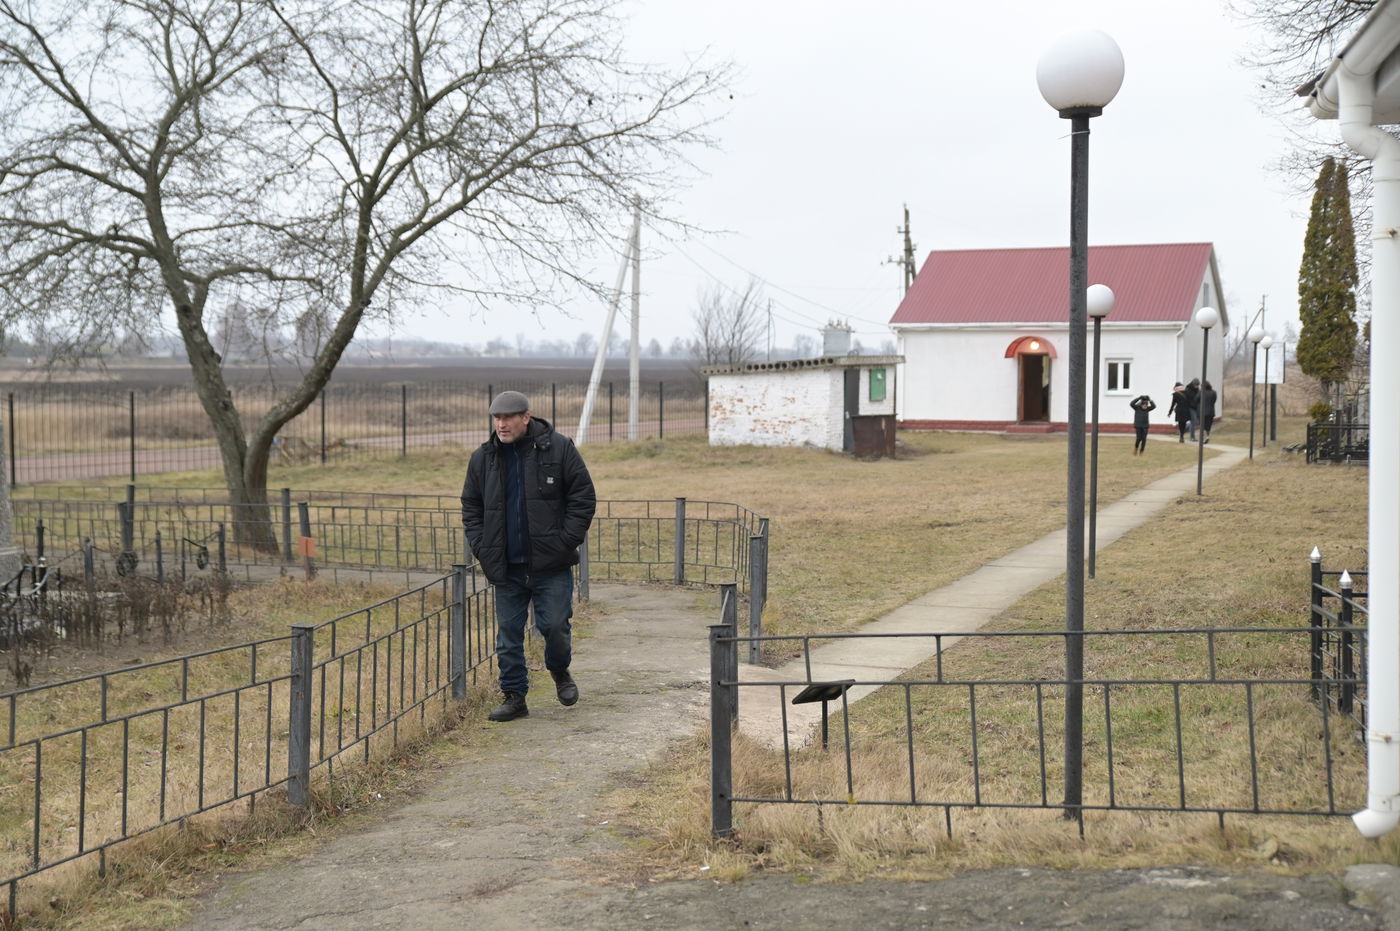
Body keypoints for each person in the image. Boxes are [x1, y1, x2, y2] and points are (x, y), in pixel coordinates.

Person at [461, 390, 597, 723]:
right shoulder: (484, 458)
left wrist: (565, 542)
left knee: (553, 626)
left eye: (508, 418)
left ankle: (559, 670)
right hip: (506, 567)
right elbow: (471, 507)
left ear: (526, 417)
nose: (501, 424)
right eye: (496, 418)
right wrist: (483, 547)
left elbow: (583, 498)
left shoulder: (559, 449)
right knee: (508, 635)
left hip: (551, 565)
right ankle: (514, 696)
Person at [1199, 380, 1218, 444]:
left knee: (1203, 425)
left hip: (1203, 412)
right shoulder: (1214, 392)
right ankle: (1207, 436)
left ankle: (1205, 437)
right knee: (1208, 425)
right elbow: (1214, 400)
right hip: (1211, 412)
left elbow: (1196, 399)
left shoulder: (1201, 392)